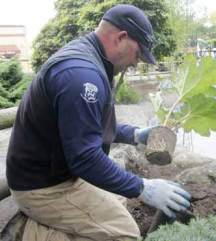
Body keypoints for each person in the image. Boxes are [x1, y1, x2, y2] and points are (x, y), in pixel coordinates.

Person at [6, 4, 191, 241]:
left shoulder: (91, 60)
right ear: (122, 38)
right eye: (138, 53)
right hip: (41, 187)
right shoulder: (82, 76)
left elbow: (88, 125)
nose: (137, 62)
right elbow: (84, 158)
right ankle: (36, 233)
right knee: (125, 233)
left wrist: (135, 135)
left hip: (54, 175)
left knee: (119, 199)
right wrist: (144, 187)